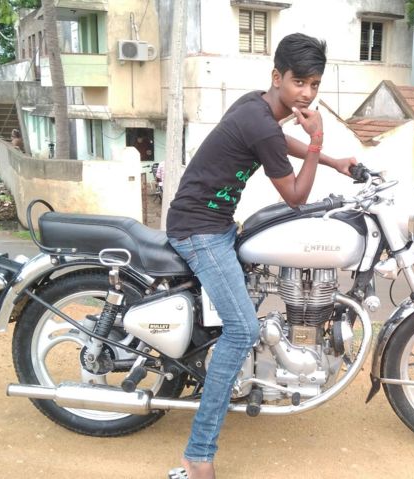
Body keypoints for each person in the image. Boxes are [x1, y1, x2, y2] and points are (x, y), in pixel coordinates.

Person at [165, 33, 356, 479]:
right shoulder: (260, 121)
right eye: (298, 82)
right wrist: (317, 140)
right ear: (277, 77)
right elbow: (296, 195)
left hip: (215, 224)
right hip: (198, 230)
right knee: (242, 329)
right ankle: (198, 455)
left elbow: (276, 142)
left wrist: (333, 161)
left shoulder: (257, 107)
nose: (306, 93)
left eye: (314, 84)